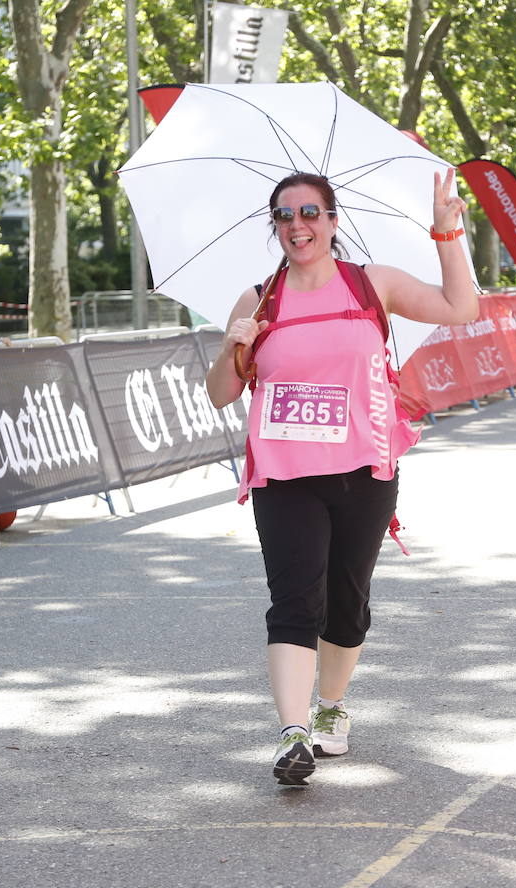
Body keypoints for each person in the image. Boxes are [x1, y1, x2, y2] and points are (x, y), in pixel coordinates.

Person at [205, 170, 477, 787]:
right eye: (283, 216)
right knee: (295, 601)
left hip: (364, 469)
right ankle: (292, 734)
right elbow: (221, 394)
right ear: (272, 226)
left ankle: (330, 708)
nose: (296, 226)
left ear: (332, 220)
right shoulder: (258, 300)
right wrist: (231, 350)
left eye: (309, 213)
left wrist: (447, 232)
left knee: (346, 605)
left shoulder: (370, 284)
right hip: (284, 475)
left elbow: (463, 308)